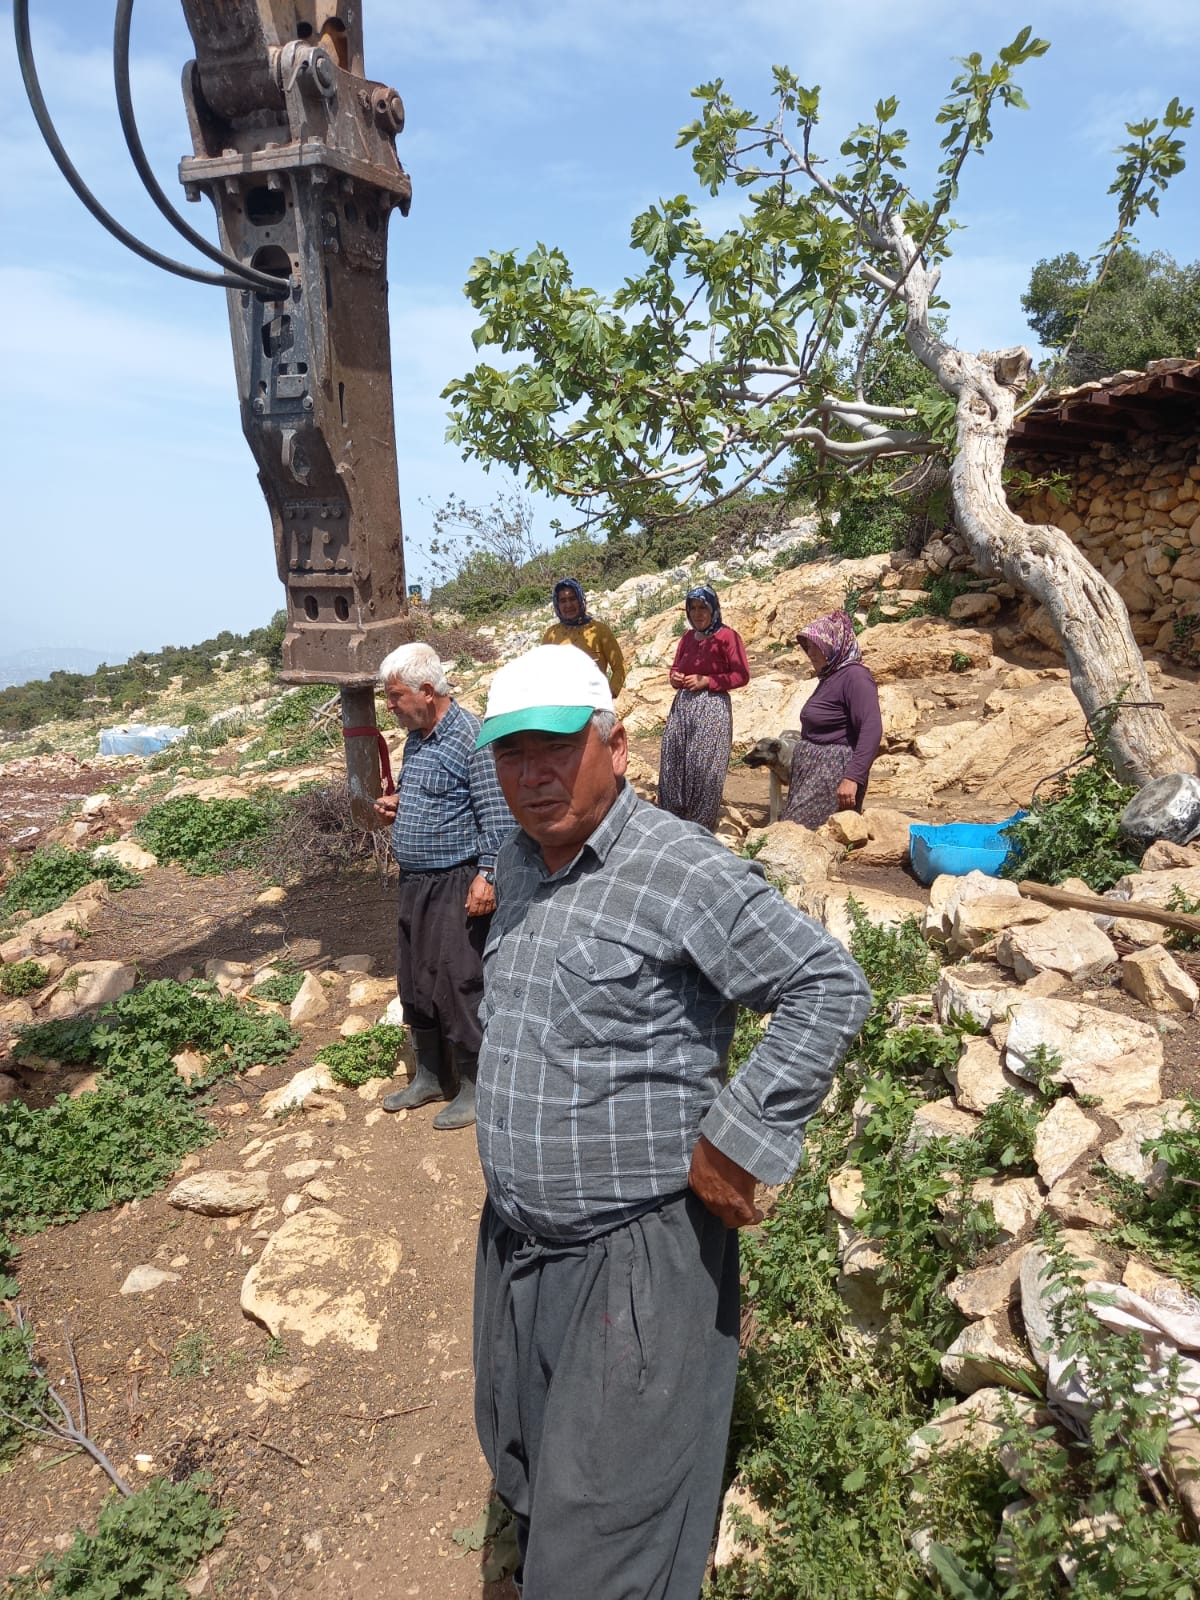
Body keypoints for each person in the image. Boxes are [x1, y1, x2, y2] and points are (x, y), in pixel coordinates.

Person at [471, 643, 870, 1600]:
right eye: (511, 754)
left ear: (614, 744)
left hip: (633, 1261)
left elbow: (826, 984)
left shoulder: (679, 867)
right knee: (525, 1468)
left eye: (556, 751)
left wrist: (739, 1138)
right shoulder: (523, 862)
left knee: (610, 1539)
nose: (532, 776)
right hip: (517, 1250)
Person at [372, 642, 514, 1129]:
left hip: (457, 883)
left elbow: (497, 817)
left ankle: (476, 1086)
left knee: (459, 982)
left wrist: (488, 875)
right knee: (415, 979)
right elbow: (434, 795)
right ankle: (431, 1076)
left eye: (394, 697)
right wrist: (401, 805)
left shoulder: (472, 738)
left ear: (426, 691)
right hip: (416, 882)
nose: (389, 707)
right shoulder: (419, 737)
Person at [657, 584, 750, 831]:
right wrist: (675, 677)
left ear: (713, 609)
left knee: (703, 766)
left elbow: (742, 675)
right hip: (683, 708)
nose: (697, 614)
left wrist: (709, 681)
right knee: (674, 762)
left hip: (712, 709)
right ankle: (672, 824)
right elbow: (676, 668)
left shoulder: (727, 637)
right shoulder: (687, 638)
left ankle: (699, 826)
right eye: (693, 608)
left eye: (702, 608)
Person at [783, 609, 883, 830]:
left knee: (799, 834)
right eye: (807, 647)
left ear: (833, 645)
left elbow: (872, 728)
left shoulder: (855, 677)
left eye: (816, 646)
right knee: (795, 832)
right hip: (814, 773)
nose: (810, 653)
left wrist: (852, 778)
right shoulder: (831, 676)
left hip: (833, 772)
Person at [541, 577, 627, 697]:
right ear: (557, 604)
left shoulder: (600, 630)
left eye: (573, 598)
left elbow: (619, 668)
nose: (568, 605)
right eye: (563, 601)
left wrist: (609, 694)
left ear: (581, 599)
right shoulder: (550, 635)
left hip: (594, 707)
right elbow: (543, 674)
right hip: (562, 708)